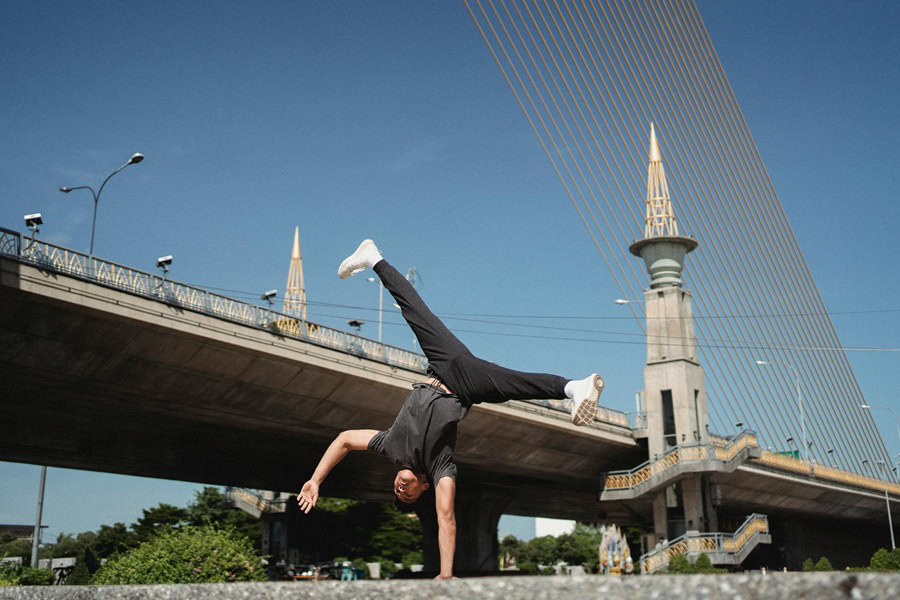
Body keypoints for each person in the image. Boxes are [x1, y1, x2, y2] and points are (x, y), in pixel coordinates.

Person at [297, 239, 604, 579]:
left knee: (413, 310)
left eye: (397, 491)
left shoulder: (388, 445)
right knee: (514, 384)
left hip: (441, 366)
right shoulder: (440, 467)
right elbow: (446, 519)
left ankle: (374, 258)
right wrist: (446, 574)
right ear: (424, 487)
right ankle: (573, 387)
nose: (401, 489)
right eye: (409, 494)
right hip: (464, 386)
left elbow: (343, 440)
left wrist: (315, 480)